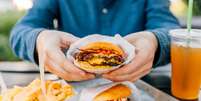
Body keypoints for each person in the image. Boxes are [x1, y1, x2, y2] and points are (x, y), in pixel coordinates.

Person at [10, 0, 180, 82]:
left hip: (139, 85)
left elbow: (171, 31)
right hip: (71, 87)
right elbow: (21, 32)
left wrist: (155, 41)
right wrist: (40, 40)